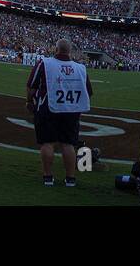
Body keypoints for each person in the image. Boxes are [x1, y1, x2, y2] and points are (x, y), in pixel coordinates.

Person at [25, 38, 91, 187]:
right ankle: (70, 178)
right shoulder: (80, 68)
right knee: (68, 144)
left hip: (48, 108)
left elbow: (31, 86)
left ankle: (48, 176)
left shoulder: (44, 63)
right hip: (71, 110)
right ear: (70, 51)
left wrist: (29, 101)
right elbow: (87, 92)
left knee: (47, 143)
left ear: (56, 49)